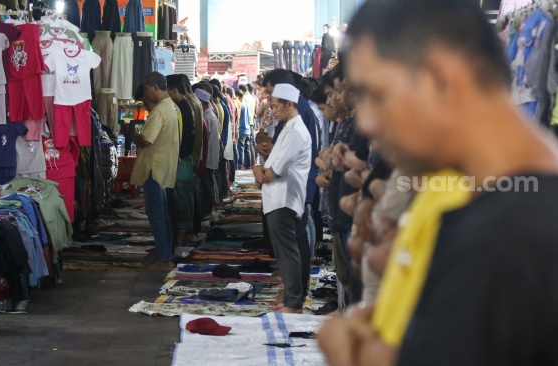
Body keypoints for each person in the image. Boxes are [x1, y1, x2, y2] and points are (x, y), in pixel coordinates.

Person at [318, 0, 558, 365]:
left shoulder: (509, 235)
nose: (365, 121)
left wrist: (354, 353)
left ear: (439, 79)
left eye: (376, 95)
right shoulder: (462, 194)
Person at [253, 83, 311, 314]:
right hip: (277, 198)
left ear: (290, 104)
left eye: (276, 106)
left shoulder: (296, 131)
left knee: (288, 252)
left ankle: (293, 302)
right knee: (285, 252)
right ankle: (290, 297)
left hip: (284, 198)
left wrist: (258, 171)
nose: (273, 110)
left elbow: (272, 173)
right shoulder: (289, 128)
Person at [130, 72, 179, 271]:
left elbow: (147, 140)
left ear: (154, 88)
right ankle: (164, 252)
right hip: (163, 166)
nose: (145, 92)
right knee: (162, 213)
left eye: (146, 88)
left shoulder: (159, 111)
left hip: (154, 168)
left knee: (157, 213)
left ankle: (163, 256)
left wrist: (135, 136)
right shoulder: (171, 107)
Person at [166, 75, 196, 245]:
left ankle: (182, 234)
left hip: (182, 159)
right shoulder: (187, 106)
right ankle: (183, 233)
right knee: (183, 198)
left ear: (174, 90)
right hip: (185, 158)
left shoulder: (182, 108)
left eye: (167, 91)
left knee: (181, 199)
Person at [195, 88, 221, 207]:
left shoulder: (208, 118)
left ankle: (209, 210)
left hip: (207, 159)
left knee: (206, 187)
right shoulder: (208, 116)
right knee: (207, 185)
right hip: (209, 158)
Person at [236, 90, 252, 170]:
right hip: (247, 129)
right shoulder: (247, 105)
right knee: (247, 148)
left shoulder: (240, 105)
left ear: (238, 96)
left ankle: (240, 165)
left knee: (241, 149)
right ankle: (248, 165)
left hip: (241, 130)